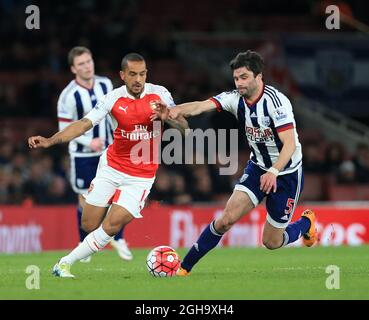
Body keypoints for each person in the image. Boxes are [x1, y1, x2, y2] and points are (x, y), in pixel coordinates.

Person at [28, 53, 188, 278]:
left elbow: (185, 128)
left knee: (113, 224)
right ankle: (97, 237)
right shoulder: (112, 98)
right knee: (88, 223)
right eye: (132, 74)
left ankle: (64, 263)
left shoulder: (160, 94)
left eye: (142, 74)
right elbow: (84, 124)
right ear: (123, 75)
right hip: (112, 167)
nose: (138, 79)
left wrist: (169, 116)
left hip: (141, 176)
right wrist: (50, 140)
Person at [168, 50, 318, 276]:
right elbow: (199, 106)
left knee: (271, 242)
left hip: (286, 173)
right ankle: (184, 268)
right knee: (226, 220)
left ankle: (306, 224)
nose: (239, 83)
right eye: (236, 78)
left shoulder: (277, 104)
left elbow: (289, 145)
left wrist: (275, 172)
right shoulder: (234, 99)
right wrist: (175, 110)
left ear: (259, 77)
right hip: (258, 169)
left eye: (244, 77)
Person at [57, 46, 132, 262]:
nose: (87, 66)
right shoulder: (68, 96)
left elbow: (114, 113)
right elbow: (64, 128)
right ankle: (84, 243)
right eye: (81, 64)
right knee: (85, 199)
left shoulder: (105, 84)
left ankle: (119, 238)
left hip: (109, 152)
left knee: (117, 192)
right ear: (73, 69)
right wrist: (88, 141)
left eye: (88, 61)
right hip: (82, 155)